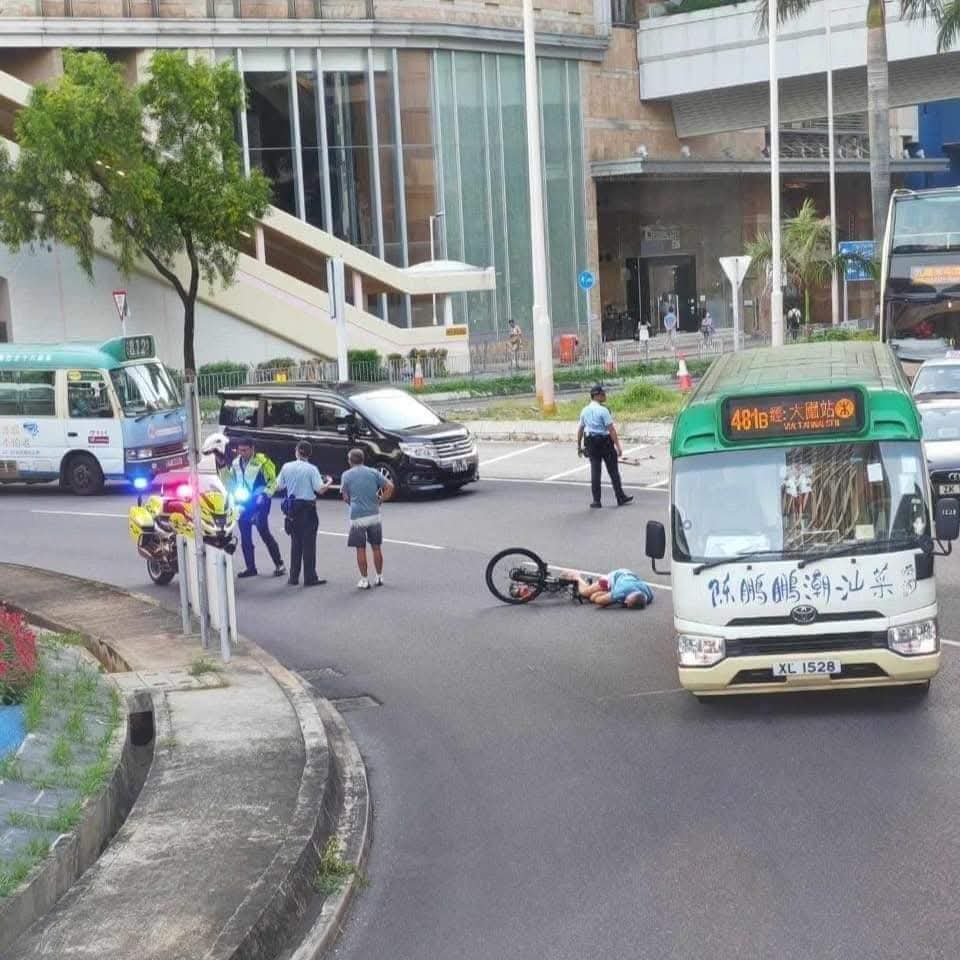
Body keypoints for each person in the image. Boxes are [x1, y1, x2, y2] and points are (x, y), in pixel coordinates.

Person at [275, 441, 331, 587]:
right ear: (309, 453)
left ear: (297, 451)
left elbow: (279, 485)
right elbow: (320, 489)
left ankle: (293, 577)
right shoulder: (312, 469)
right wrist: (329, 482)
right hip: (307, 508)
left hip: (292, 508)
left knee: (296, 543)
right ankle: (310, 577)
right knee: (309, 544)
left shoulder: (286, 466)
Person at [230, 439, 285, 579]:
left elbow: (273, 481)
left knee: (263, 532)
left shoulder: (263, 461)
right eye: (239, 450)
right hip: (243, 502)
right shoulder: (236, 462)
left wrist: (265, 495)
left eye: (244, 450)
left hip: (260, 502)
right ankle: (250, 568)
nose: (241, 453)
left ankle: (280, 564)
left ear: (252, 449)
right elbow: (230, 480)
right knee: (245, 536)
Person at [340, 448, 394, 590]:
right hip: (374, 515)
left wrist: (351, 503)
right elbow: (390, 486)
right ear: (363, 459)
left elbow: (345, 496)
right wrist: (381, 499)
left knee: (360, 549)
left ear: (350, 460)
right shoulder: (373, 472)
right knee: (376, 547)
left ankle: (364, 580)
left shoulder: (346, 475)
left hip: (357, 517)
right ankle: (380, 576)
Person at [577, 384, 633, 509]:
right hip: (604, 442)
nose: (604, 395)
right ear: (596, 396)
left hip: (591, 442)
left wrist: (579, 446)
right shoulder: (603, 411)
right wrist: (618, 446)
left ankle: (596, 501)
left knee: (595, 472)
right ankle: (620, 497)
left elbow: (580, 429)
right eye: (602, 394)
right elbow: (611, 430)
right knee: (613, 471)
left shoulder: (584, 410)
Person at [577, 569, 654, 609]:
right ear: (631, 594)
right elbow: (599, 601)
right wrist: (614, 599)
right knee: (585, 594)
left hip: (626, 578)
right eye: (628, 601)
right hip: (614, 578)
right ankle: (577, 577)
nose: (625, 602)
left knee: (592, 597)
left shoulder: (648, 595)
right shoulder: (622, 591)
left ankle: (591, 585)